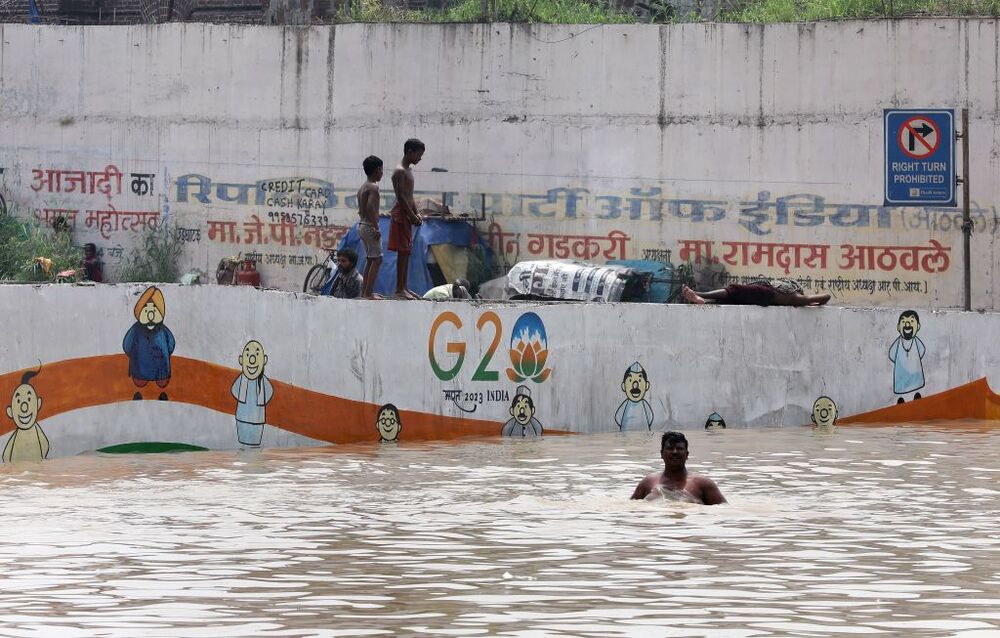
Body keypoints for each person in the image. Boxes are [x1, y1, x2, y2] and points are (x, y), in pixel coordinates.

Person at [630, 431, 726, 505]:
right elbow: (631, 509)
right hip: (659, 530)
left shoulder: (703, 484)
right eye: (670, 448)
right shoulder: (648, 483)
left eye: (679, 448)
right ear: (661, 454)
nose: (675, 452)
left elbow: (723, 511)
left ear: (687, 454)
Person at [388, 138, 425, 300]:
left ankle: (404, 286)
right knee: (402, 251)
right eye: (418, 154)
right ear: (410, 151)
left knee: (406, 251)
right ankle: (399, 289)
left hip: (408, 213)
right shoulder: (399, 171)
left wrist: (416, 214)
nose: (420, 158)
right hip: (401, 214)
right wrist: (411, 215)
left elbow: (410, 196)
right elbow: (401, 197)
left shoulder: (409, 171)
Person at [681, 278, 830, 307]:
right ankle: (703, 301)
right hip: (762, 296)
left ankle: (701, 294)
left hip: (765, 294)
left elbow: (826, 296)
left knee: (735, 290)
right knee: (732, 300)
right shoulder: (794, 297)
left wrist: (810, 303)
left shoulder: (796, 297)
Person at [357, 156, 384, 299]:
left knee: (370, 259)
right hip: (369, 226)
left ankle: (365, 292)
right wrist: (376, 227)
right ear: (378, 170)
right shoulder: (373, 187)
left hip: (361, 224)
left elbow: (362, 208)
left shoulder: (363, 186)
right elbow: (369, 207)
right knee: (378, 259)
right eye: (382, 170)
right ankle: (368, 293)